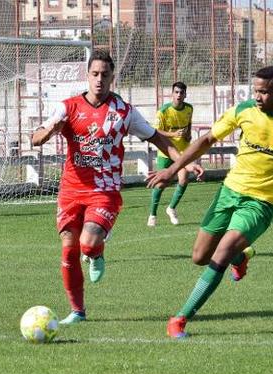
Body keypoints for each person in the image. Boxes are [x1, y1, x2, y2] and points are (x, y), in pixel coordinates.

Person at [146, 66, 273, 339]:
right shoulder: (244, 110)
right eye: (255, 90)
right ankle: (241, 257)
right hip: (229, 192)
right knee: (200, 257)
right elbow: (208, 139)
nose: (258, 96)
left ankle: (179, 319)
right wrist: (173, 169)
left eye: (264, 92)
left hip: (262, 202)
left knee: (219, 253)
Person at [31, 50, 203, 326]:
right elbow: (36, 137)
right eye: (94, 74)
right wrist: (51, 131)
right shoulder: (68, 107)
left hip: (104, 190)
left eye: (105, 75)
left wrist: (184, 162)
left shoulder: (123, 111)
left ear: (112, 77)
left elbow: (158, 138)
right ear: (87, 76)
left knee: (87, 244)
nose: (99, 80)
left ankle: (96, 253)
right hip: (71, 190)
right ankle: (77, 311)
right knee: (68, 250)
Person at [147, 81, 193, 227]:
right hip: (166, 151)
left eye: (181, 93)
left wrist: (188, 135)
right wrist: (173, 134)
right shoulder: (163, 111)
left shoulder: (189, 109)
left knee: (184, 179)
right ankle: (153, 214)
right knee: (161, 184)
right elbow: (156, 131)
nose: (179, 95)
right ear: (172, 94)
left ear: (185, 94)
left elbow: (189, 123)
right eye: (176, 92)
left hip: (183, 151)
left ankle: (171, 208)